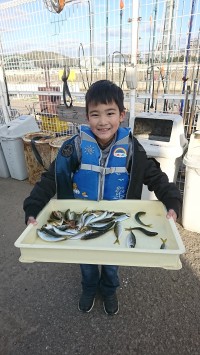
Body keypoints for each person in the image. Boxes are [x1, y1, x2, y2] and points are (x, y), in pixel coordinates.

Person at [23, 79, 182, 316]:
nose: (103, 121)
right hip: (80, 221)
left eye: (110, 113)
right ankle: (88, 287)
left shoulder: (132, 149)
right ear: (87, 118)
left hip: (117, 219)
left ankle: (109, 289)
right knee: (86, 262)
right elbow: (51, 178)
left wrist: (172, 202)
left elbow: (156, 178)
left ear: (122, 115)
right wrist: (34, 207)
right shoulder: (74, 147)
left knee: (111, 264)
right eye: (95, 114)